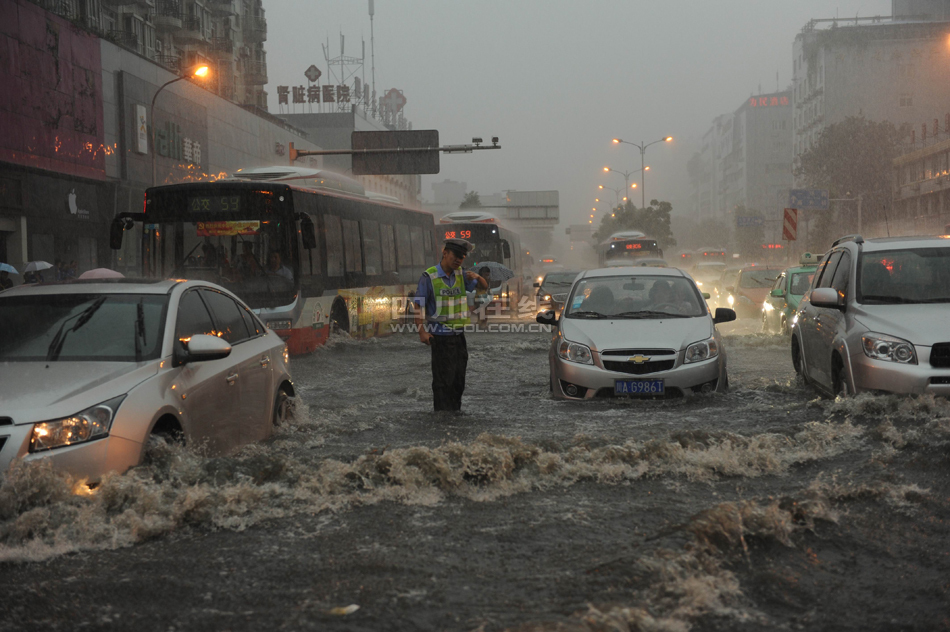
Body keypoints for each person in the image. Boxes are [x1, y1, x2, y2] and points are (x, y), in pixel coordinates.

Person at [414, 238, 488, 412]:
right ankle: (442, 419)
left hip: (459, 338)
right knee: (442, 383)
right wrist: (422, 332)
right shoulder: (429, 277)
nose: (459, 260)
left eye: (462, 257)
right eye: (456, 256)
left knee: (458, 381)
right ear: (445, 253)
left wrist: (477, 277)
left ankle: (455, 415)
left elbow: (483, 288)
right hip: (439, 338)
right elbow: (418, 305)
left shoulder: (462, 275)